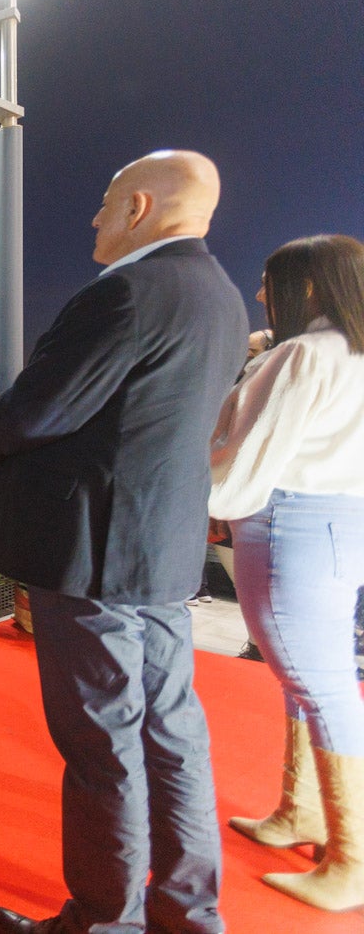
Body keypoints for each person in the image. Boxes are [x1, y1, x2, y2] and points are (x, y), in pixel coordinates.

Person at [0, 149, 246, 934]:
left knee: (103, 748)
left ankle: (103, 920)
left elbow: (38, 406)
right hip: (160, 552)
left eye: (104, 202)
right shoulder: (220, 295)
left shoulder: (127, 291)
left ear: (138, 208)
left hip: (93, 554)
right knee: (173, 736)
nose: (93, 217)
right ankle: (189, 912)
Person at [208, 234, 364, 912]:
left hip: (289, 524)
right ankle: (301, 814)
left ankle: (352, 858)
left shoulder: (302, 355)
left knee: (319, 684)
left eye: (271, 282)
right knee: (310, 678)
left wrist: (200, 498)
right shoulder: (348, 352)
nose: (261, 293)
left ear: (306, 287)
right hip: (338, 521)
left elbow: (244, 457)